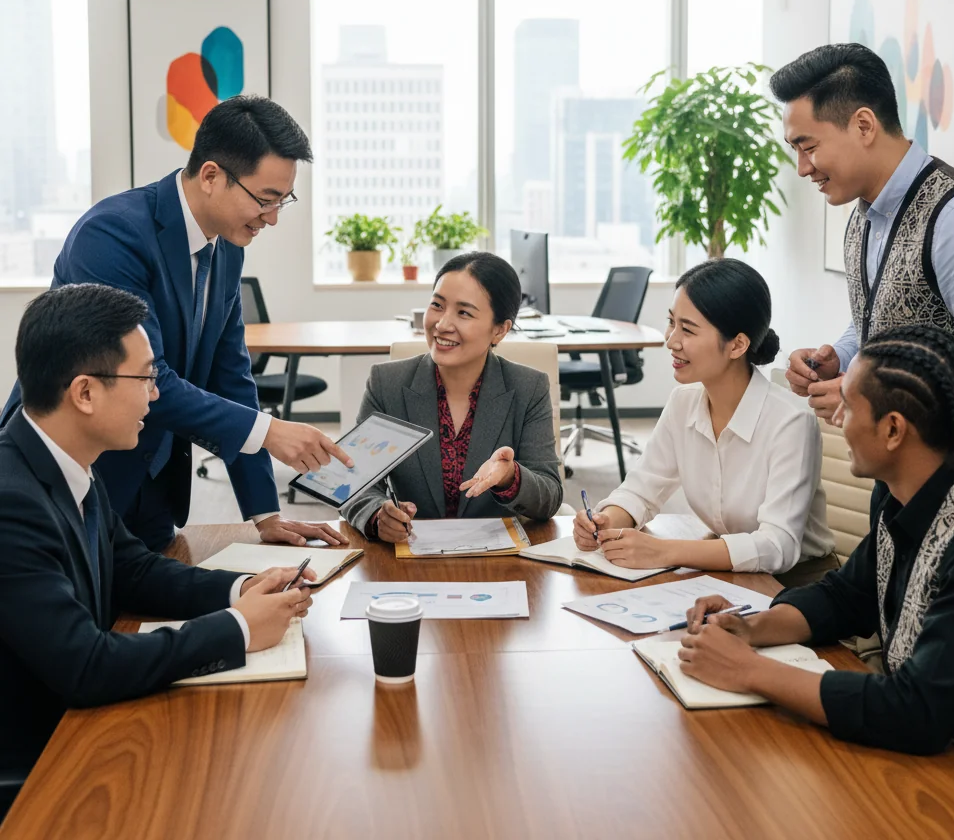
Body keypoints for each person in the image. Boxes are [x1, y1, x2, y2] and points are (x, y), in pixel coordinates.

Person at [0, 284, 316, 815]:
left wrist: (241, 589)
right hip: (40, 765)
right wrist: (238, 629)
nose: (155, 394)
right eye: (146, 377)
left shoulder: (66, 459)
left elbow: (135, 571)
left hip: (77, 726)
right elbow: (86, 665)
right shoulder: (11, 502)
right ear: (84, 392)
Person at [679, 325, 954, 808]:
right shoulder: (903, 490)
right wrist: (752, 628)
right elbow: (847, 595)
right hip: (923, 767)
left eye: (849, 405)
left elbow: (919, 711)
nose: (837, 418)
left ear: (893, 429)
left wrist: (750, 671)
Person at [1, 96, 353, 551]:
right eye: (265, 200)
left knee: (149, 605)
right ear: (211, 176)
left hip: (154, 477)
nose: (274, 217)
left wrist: (265, 512)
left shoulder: (227, 248)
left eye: (283, 200)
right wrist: (270, 433)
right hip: (77, 477)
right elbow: (146, 379)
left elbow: (231, 375)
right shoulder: (113, 234)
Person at [773, 43, 954, 490]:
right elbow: (885, 313)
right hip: (903, 478)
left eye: (807, 147)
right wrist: (842, 357)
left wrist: (872, 394)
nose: (801, 168)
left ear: (864, 125)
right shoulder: (864, 214)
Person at [572, 259, 836, 587]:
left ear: (737, 344)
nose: (671, 340)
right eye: (672, 323)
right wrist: (604, 521)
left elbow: (776, 546)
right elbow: (641, 490)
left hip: (796, 584)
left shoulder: (790, 422)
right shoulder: (683, 403)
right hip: (726, 572)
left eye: (688, 329)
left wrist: (665, 551)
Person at [343, 252, 563, 541]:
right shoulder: (387, 384)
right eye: (437, 305)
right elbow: (353, 481)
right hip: (409, 557)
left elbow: (549, 496)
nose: (442, 324)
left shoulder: (528, 387)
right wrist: (376, 515)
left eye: (464, 313)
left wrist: (511, 476)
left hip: (496, 561)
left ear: (499, 330)